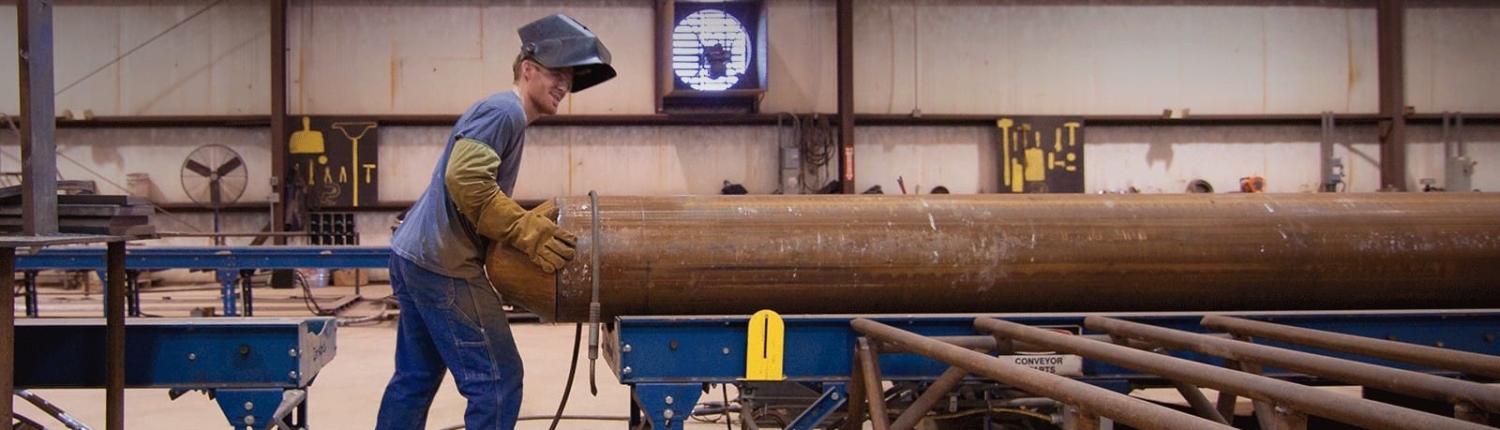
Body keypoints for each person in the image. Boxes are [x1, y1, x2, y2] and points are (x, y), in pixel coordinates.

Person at [375, 13, 615, 430]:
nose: (564, 85)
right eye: (557, 73)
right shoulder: (504, 111)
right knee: (498, 382)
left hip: (414, 256)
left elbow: (461, 185)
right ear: (528, 69)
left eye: (570, 78)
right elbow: (464, 178)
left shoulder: (503, 114)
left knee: (415, 379)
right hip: (443, 265)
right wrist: (525, 231)